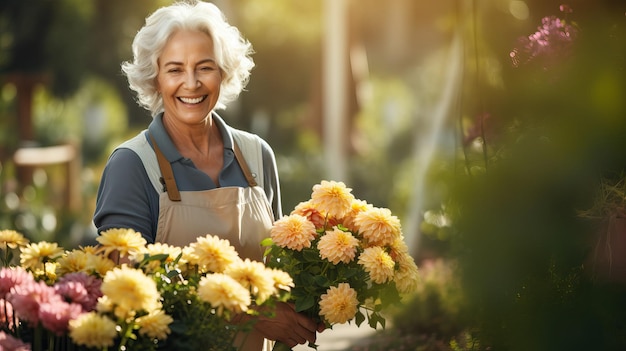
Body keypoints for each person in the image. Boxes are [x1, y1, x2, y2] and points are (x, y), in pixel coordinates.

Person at [93, 1, 322, 350]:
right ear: (154, 77)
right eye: (175, 69)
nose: (191, 83)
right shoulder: (131, 166)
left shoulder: (257, 155)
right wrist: (253, 313)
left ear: (224, 72)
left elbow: (278, 268)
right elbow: (125, 293)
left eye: (205, 67)